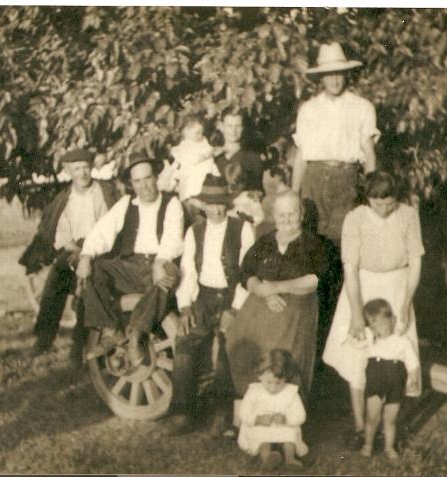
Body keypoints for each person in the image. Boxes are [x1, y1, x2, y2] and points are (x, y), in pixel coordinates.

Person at [322, 171, 425, 449]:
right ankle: (361, 426)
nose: (384, 209)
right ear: (367, 198)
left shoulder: (408, 215)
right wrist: (357, 314)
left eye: (390, 204)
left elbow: (415, 262)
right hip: (362, 287)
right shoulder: (355, 218)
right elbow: (350, 268)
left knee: (396, 354)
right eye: (378, 204)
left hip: (397, 287)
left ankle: (387, 424)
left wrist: (405, 305)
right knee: (358, 356)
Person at [168, 174, 255, 436]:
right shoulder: (194, 231)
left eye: (220, 204)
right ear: (203, 205)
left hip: (233, 295)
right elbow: (188, 271)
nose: (216, 210)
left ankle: (222, 412)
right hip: (204, 297)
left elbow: (247, 272)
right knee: (186, 338)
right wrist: (185, 307)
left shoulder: (242, 228)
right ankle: (182, 410)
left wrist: (235, 309)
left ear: (227, 204)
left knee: (229, 343)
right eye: (211, 204)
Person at [76, 153, 184, 363]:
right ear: (132, 184)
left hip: (158, 264)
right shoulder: (126, 203)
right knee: (96, 267)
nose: (144, 186)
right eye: (137, 181)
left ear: (156, 177)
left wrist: (160, 261)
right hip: (131, 267)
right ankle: (111, 330)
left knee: (169, 274)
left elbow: (173, 238)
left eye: (148, 178)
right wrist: (86, 255)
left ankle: (137, 332)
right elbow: (102, 232)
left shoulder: (171, 203)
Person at [19, 148, 121, 365]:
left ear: (91, 168)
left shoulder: (104, 192)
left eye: (85, 168)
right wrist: (75, 250)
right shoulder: (65, 198)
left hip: (101, 250)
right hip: (74, 249)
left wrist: (91, 252)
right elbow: (62, 232)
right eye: (77, 169)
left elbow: (110, 225)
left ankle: (79, 345)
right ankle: (44, 338)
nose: (82, 173)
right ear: (69, 172)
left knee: (88, 287)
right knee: (56, 277)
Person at [225, 190, 328, 401]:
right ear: (274, 215)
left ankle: (284, 408)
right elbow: (246, 272)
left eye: (292, 213)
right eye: (281, 214)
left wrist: (278, 287)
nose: (286, 219)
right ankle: (249, 405)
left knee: (280, 357)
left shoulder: (314, 244)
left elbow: (317, 279)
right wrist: (261, 290)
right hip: (260, 305)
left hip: (296, 308)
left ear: (301, 214)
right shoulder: (265, 242)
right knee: (237, 341)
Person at [292, 42, 380, 244]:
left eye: (339, 73)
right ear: (321, 77)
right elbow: (301, 156)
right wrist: (295, 193)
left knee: (343, 239)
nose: (335, 80)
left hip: (346, 180)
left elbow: (369, 154)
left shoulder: (362, 107)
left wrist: (372, 191)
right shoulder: (308, 109)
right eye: (329, 74)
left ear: (347, 74)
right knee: (311, 239)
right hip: (313, 180)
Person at [352, 299, 420, 460]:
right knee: (372, 417)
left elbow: (413, 363)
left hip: (395, 385)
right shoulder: (370, 341)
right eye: (373, 325)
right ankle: (368, 445)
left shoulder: (403, 341)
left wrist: (413, 379)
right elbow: (355, 341)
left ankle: (389, 448)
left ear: (393, 320)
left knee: (391, 418)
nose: (379, 328)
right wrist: (364, 331)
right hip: (375, 383)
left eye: (383, 323)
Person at [237, 349, 308, 472]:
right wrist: (257, 419)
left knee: (290, 435)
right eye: (269, 382)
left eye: (278, 383)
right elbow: (243, 413)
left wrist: (286, 419)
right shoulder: (254, 391)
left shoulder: (290, 393)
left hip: (282, 427)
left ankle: (290, 459)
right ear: (260, 376)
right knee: (261, 437)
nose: (273, 387)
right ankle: (267, 458)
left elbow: (301, 415)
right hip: (261, 426)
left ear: (285, 378)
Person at [214, 108, 264, 194]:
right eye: (229, 126)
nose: (233, 131)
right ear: (221, 127)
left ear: (243, 128)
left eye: (238, 126)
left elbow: (258, 192)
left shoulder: (253, 158)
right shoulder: (212, 157)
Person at [169, 116, 217, 203]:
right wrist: (206, 155)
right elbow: (193, 159)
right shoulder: (186, 145)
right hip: (192, 168)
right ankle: (187, 196)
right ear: (186, 132)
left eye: (201, 132)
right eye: (197, 133)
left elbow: (209, 149)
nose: (200, 135)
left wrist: (209, 153)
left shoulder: (203, 140)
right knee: (187, 179)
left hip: (205, 166)